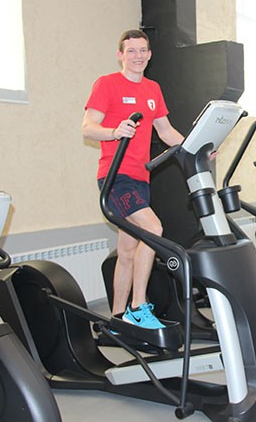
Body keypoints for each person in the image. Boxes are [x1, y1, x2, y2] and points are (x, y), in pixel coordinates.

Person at [82, 29, 184, 329]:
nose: (137, 56)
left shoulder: (153, 89)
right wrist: (114, 132)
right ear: (120, 55)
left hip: (141, 178)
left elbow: (165, 131)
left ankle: (117, 319)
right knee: (153, 229)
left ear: (149, 55)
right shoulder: (107, 84)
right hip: (116, 177)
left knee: (127, 251)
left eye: (142, 50)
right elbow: (87, 127)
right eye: (131, 51)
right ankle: (138, 308)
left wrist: (195, 147)